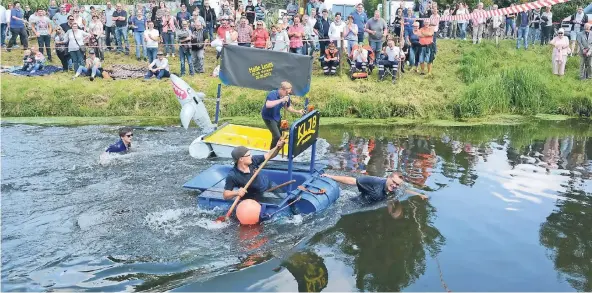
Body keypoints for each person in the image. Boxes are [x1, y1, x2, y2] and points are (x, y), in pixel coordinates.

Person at [321, 171, 428, 203]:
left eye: (397, 184)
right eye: (393, 182)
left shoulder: (397, 187)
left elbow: (405, 190)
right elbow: (352, 181)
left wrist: (419, 194)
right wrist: (330, 176)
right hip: (354, 203)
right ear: (388, 178)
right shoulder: (374, 182)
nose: (395, 186)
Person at [261, 81, 305, 150]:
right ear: (282, 89)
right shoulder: (273, 94)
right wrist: (281, 100)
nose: (287, 94)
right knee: (277, 136)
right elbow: (268, 105)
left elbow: (287, 107)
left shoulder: (286, 97)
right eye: (286, 92)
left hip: (277, 116)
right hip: (268, 117)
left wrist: (298, 111)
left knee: (279, 135)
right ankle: (270, 152)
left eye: (289, 92)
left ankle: (276, 149)